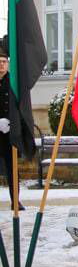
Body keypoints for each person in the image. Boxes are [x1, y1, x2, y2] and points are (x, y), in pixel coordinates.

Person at [0, 47, 24, 211]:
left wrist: (12, 122)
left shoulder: (14, 82)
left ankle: (15, 200)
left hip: (9, 133)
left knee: (12, 169)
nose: (1, 65)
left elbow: (20, 105)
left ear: (8, 64)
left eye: (3, 62)